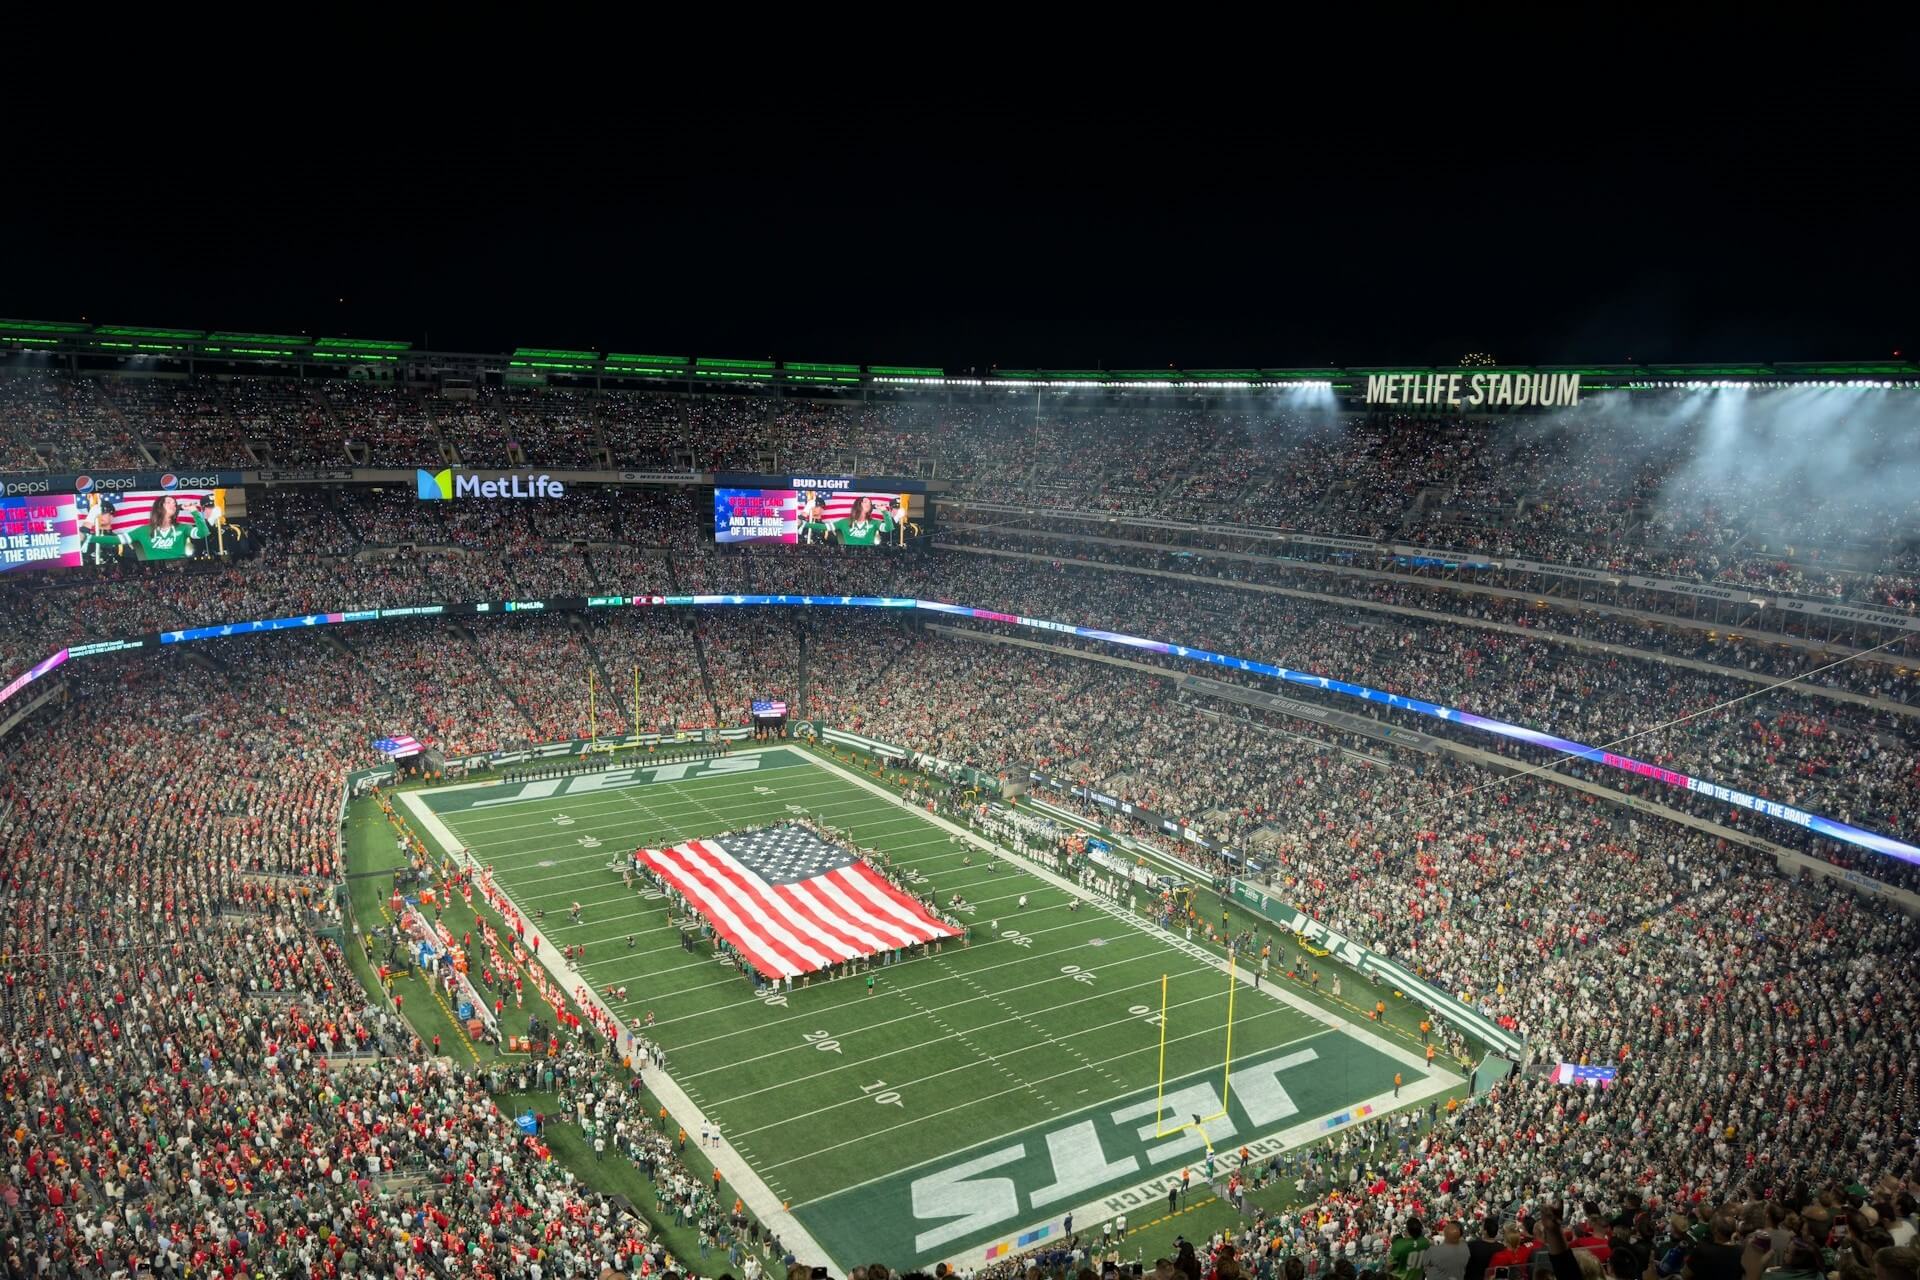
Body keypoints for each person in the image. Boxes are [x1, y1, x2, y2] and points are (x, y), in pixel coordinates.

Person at [84, 492, 214, 561]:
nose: (173, 504)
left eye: (174, 503)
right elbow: (117, 540)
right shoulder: (143, 530)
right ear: (159, 507)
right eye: (168, 502)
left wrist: (194, 511)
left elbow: (203, 533)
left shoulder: (183, 528)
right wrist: (89, 538)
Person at [799, 494, 897, 547]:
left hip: (869, 557)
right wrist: (804, 524)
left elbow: (889, 528)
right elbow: (824, 527)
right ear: (859, 504)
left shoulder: (874, 522)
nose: (869, 503)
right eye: (866, 501)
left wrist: (885, 512)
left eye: (870, 502)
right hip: (849, 557)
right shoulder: (844, 522)